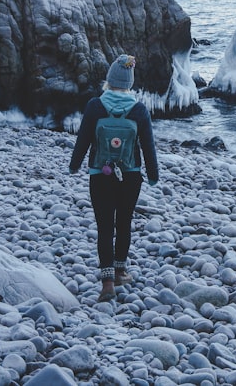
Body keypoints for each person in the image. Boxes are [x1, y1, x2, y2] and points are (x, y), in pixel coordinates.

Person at [69, 54, 158, 301]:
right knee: (124, 222)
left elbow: (84, 139)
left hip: (100, 174)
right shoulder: (139, 109)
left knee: (105, 226)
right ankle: (120, 270)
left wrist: (74, 165)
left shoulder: (95, 106)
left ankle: (107, 282)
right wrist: (152, 175)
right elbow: (148, 146)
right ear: (129, 83)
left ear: (109, 80)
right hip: (129, 176)